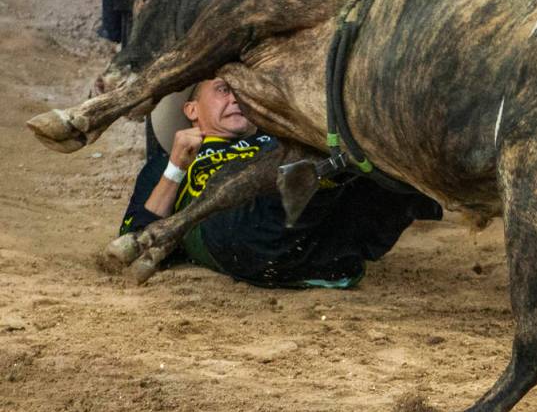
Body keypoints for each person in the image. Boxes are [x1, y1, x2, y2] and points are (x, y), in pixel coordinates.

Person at [119, 77, 442, 288]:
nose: (236, 98)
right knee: (307, 162)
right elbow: (135, 239)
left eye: (241, 89)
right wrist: (176, 167)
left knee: (381, 160)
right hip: (237, 237)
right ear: (191, 109)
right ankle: (323, 168)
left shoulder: (275, 141)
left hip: (317, 252)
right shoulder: (166, 164)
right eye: (223, 89)